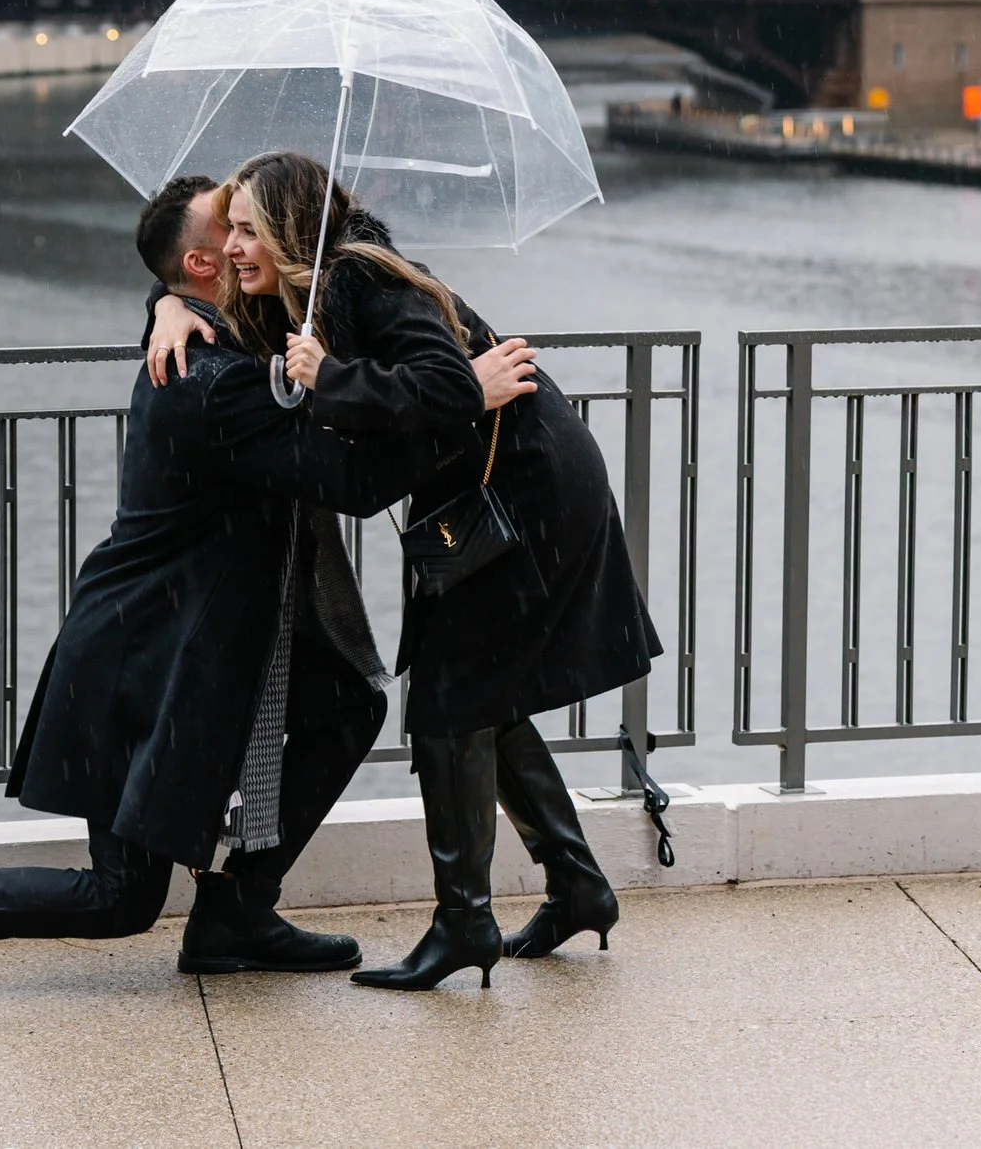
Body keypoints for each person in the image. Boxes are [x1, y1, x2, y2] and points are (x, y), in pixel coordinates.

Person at [0, 175, 421, 994]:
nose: (253, 236)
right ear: (207, 262)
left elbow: (182, 281)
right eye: (236, 229)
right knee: (121, 898)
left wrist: (163, 302)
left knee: (349, 701)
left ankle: (237, 911)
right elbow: (350, 483)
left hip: (163, 641)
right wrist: (456, 405)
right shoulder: (213, 382)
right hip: (139, 662)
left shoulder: (203, 334)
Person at [211, 152, 664, 992]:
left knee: (453, 702)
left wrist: (329, 375)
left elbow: (444, 380)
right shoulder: (313, 300)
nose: (234, 245)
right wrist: (168, 306)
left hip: (521, 492)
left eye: (246, 228)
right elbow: (444, 394)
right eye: (228, 229)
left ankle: (464, 923)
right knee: (477, 697)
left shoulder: (355, 280)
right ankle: (576, 885)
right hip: (507, 486)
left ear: (286, 228)